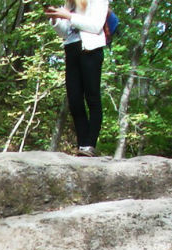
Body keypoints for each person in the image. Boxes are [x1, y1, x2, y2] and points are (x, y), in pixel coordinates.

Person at [45, 0, 109, 156]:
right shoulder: (70, 4)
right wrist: (55, 18)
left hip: (91, 50)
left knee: (92, 97)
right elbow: (64, 32)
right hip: (71, 49)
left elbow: (96, 26)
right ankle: (82, 145)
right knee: (74, 100)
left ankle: (90, 145)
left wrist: (69, 16)